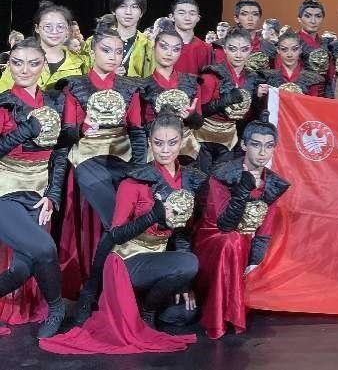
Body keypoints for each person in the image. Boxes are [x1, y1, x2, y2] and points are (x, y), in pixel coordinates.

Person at [41, 111, 204, 353]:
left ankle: (145, 307)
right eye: (158, 143)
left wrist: (184, 283)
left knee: (184, 311)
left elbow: (182, 232)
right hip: (127, 260)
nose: (165, 150)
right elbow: (115, 234)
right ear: (149, 143)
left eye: (172, 143)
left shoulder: (189, 180)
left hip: (158, 259)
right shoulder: (134, 182)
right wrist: (152, 216)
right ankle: (145, 311)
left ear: (182, 142)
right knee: (189, 264)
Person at [60, 18, 147, 322]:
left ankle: (94, 291)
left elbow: (137, 131)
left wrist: (139, 171)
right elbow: (67, 133)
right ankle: (105, 291)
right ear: (92, 51)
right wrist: (84, 128)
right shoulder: (76, 86)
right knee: (118, 223)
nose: (113, 56)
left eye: (118, 51)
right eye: (106, 50)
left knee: (122, 224)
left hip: (122, 159)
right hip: (87, 158)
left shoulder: (129, 87)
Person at [193, 118, 290, 340]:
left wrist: (254, 261)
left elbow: (264, 230)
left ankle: (232, 308)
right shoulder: (223, 175)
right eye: (256, 145)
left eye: (269, 146)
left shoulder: (272, 183)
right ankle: (218, 319)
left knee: (241, 242)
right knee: (232, 240)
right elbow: (223, 224)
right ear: (244, 145)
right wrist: (244, 188)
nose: (262, 153)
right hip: (213, 239)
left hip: (243, 243)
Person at [0, 37, 68, 338]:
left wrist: (52, 195)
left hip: (39, 192)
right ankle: (57, 309)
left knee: (23, 268)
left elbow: (61, 154)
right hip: (5, 189)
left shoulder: (55, 101)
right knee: (44, 248)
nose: (24, 69)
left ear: (43, 66)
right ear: (9, 65)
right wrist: (25, 131)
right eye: (17, 63)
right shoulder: (3, 103)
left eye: (33, 63)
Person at [196, 28, 265, 172]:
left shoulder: (252, 78)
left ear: (251, 50)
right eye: (233, 49)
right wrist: (225, 101)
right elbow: (200, 111)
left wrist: (257, 98)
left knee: (225, 179)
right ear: (225, 49)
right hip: (204, 139)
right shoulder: (212, 74)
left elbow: (248, 116)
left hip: (232, 139)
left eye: (244, 49)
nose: (239, 55)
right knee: (203, 179)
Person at [138, 28, 203, 165]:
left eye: (176, 49)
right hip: (155, 150)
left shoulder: (191, 82)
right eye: (164, 47)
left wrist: (191, 116)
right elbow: (139, 126)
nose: (169, 53)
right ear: (154, 47)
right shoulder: (143, 86)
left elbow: (198, 123)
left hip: (186, 150)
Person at [0, 2, 88, 93]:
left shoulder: (81, 63)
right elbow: (3, 95)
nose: (54, 31)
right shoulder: (19, 61)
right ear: (37, 28)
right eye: (48, 26)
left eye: (60, 26)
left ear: (67, 30)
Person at [83, 0, 154, 78]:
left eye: (134, 7)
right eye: (122, 6)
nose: (128, 12)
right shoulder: (95, 41)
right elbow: (83, 76)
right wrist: (105, 75)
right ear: (113, 10)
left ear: (141, 13)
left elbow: (152, 80)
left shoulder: (148, 45)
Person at [265, 29, 324, 95]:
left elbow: (315, 101)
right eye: (284, 49)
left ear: (300, 49)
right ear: (278, 50)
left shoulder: (312, 78)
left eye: (294, 49)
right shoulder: (267, 77)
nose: (289, 55)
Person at [169, 0, 212, 75]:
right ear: (172, 17)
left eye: (192, 14)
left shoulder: (207, 49)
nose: (187, 18)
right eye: (181, 13)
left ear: (198, 18)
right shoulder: (161, 46)